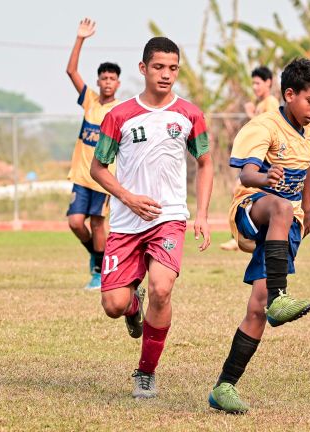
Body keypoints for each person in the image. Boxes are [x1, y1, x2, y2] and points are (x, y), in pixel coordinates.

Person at [90, 36, 213, 399]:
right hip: (127, 223)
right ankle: (132, 305)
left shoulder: (190, 115)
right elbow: (98, 168)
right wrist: (127, 197)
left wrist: (202, 214)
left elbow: (205, 163)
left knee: (162, 287)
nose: (166, 75)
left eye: (173, 68)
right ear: (143, 69)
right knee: (113, 306)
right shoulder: (119, 116)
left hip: (168, 217)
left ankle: (146, 372)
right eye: (158, 67)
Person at [208, 58, 310, 413]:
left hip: (286, 221)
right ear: (289, 94)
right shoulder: (264, 126)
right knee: (279, 206)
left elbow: (307, 166)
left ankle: (224, 387)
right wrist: (266, 178)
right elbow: (246, 175)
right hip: (251, 210)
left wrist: (308, 212)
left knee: (256, 309)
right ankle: (280, 297)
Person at [66, 17, 121, 290]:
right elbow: (71, 71)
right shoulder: (90, 100)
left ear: (118, 83)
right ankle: (96, 256)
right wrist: (80, 38)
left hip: (102, 177)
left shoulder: (120, 110)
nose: (107, 82)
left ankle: (99, 273)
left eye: (112, 78)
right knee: (75, 223)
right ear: (98, 81)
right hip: (80, 175)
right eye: (104, 78)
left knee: (99, 224)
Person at [220, 66, 280, 251]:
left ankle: (243, 237)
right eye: (252, 83)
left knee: (241, 190)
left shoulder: (270, 102)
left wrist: (250, 115)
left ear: (268, 82)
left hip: (262, 160)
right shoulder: (262, 103)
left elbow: (268, 127)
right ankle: (248, 236)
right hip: (258, 158)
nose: (254, 87)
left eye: (257, 83)